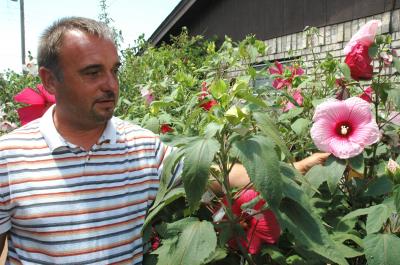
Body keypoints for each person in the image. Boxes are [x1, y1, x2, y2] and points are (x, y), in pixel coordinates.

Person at [0, 17, 328, 264]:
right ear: (49, 81)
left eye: (114, 70)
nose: (111, 84)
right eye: (92, 72)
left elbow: (210, 177)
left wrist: (287, 171)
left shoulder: (141, 146)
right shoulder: (9, 158)